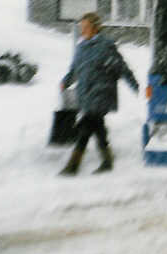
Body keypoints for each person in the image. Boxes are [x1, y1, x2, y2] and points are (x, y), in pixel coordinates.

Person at [59, 12, 139, 176]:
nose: (83, 30)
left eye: (86, 27)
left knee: (86, 126)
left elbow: (121, 67)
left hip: (102, 92)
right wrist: (66, 81)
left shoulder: (105, 46)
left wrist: (134, 85)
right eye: (82, 27)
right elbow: (74, 69)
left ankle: (73, 166)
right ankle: (107, 160)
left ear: (95, 28)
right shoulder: (80, 47)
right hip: (86, 93)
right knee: (97, 127)